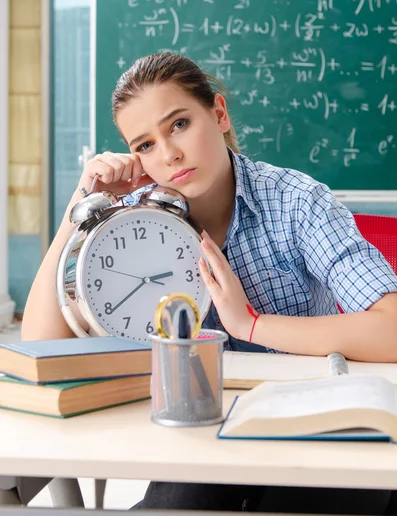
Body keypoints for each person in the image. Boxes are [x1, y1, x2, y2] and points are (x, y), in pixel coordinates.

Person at [22, 52, 397, 514]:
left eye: (178, 124)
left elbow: (392, 328)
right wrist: (79, 210)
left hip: (303, 425)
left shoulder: (298, 203)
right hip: (194, 431)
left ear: (218, 114)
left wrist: (252, 324)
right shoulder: (130, 219)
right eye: (145, 145)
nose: (169, 154)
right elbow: (42, 342)